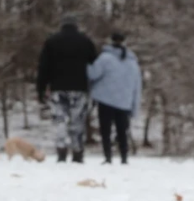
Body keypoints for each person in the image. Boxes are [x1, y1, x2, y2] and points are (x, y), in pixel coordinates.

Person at [36, 14, 98, 163]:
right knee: (77, 121)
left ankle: (61, 150)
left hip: (58, 87)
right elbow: (95, 67)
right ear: (76, 26)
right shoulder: (86, 41)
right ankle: (77, 152)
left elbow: (43, 68)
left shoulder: (51, 42)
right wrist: (95, 90)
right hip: (79, 87)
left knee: (59, 120)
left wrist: (41, 89)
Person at [87, 31, 142, 165]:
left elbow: (92, 74)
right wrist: (135, 107)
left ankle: (108, 157)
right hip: (125, 102)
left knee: (105, 130)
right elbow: (137, 86)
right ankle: (124, 157)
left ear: (110, 41)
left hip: (105, 100)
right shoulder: (132, 62)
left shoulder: (105, 58)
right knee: (122, 131)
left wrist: (87, 63)